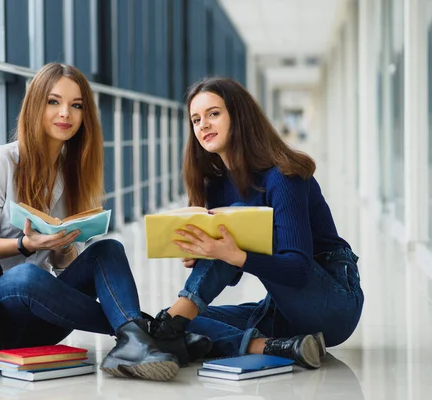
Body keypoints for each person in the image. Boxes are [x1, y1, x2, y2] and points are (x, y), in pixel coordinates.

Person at [0, 62, 195, 381]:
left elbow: (61, 266)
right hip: (1, 314)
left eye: (76, 105)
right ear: (34, 106)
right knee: (26, 276)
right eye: (53, 102)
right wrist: (24, 244)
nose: (65, 113)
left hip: (48, 317)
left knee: (107, 249)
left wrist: (63, 246)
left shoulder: (71, 174)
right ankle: (149, 333)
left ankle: (135, 337)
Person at [148, 77, 364, 369]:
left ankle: (170, 322)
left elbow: (298, 270)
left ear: (238, 116)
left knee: (175, 318)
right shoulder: (216, 185)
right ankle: (278, 348)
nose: (203, 125)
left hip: (332, 303)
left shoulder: (283, 174)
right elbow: (233, 274)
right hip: (282, 310)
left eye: (213, 114)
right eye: (196, 119)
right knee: (184, 322)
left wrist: (228, 252)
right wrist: (206, 253)